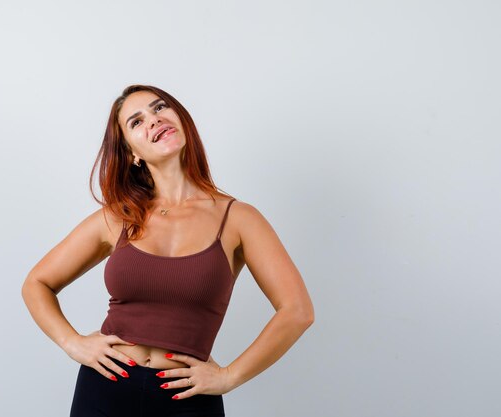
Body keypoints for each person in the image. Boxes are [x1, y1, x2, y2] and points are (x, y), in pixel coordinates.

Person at [21, 84, 314, 417]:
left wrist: (229, 376)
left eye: (160, 108)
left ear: (180, 119)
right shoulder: (118, 217)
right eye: (136, 121)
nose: (153, 120)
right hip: (105, 387)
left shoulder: (239, 219)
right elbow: (37, 283)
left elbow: (297, 310)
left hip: (187, 398)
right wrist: (72, 343)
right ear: (132, 153)